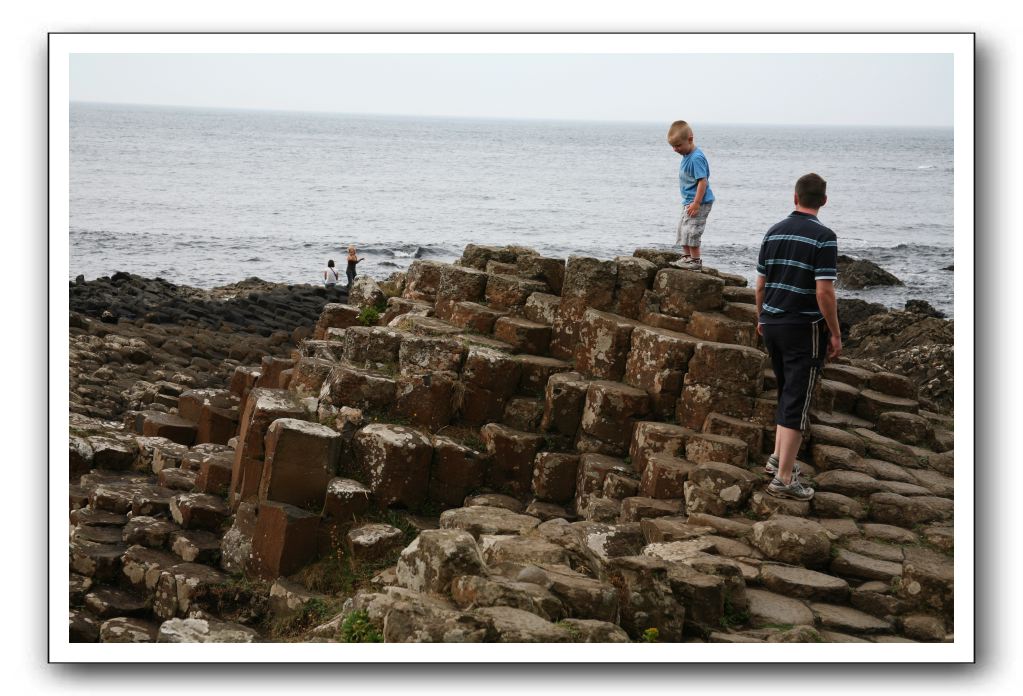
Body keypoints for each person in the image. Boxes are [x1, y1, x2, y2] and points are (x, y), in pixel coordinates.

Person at [755, 172, 842, 501]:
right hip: (802, 327)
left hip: (773, 322)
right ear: (823, 201)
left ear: (794, 197)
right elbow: (825, 293)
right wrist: (835, 333)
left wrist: (760, 316)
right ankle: (784, 479)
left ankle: (778, 458)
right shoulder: (824, 237)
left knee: (786, 391)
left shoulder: (773, 232)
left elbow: (760, 284)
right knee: (797, 397)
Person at [667, 120, 715, 271]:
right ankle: (687, 257)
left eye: (678, 146)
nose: (675, 149)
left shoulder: (696, 158)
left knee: (692, 230)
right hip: (688, 200)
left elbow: (703, 182)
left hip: (699, 202)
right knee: (683, 229)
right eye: (673, 146)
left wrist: (696, 203)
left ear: (690, 139)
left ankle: (695, 261)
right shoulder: (687, 155)